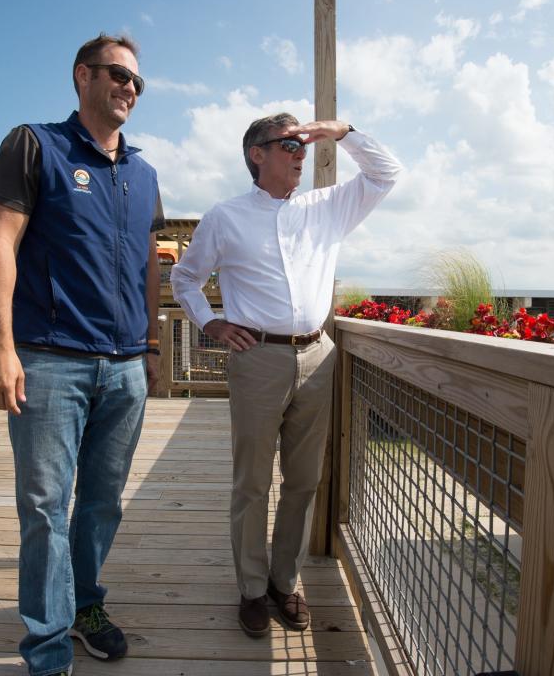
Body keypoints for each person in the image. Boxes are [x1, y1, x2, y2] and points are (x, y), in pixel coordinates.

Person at [171, 113, 401, 637]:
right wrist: (212, 322)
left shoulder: (328, 207)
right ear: (256, 154)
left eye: (302, 143)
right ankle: (252, 589)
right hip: (257, 358)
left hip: (318, 356)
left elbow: (387, 174)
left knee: (302, 480)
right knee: (251, 481)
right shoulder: (225, 217)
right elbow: (185, 278)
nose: (300, 152)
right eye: (288, 144)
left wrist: (342, 133)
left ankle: (285, 581)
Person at [0, 33, 164, 676]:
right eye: (118, 74)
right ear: (83, 75)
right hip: (49, 359)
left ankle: (85, 606)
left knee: (103, 501)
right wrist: (0, 347)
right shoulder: (34, 143)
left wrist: (150, 343)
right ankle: (49, 646)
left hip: (124, 366)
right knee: (44, 505)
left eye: (138, 81)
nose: (130, 88)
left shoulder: (144, 173)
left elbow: (146, 263)